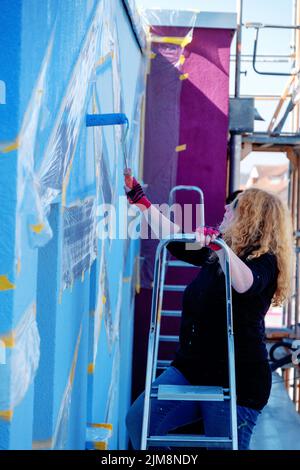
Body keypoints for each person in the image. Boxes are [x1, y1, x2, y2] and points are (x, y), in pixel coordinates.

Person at [124, 170, 293, 450]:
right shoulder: (220, 253)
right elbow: (175, 239)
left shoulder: (266, 262)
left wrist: (220, 247)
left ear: (252, 219)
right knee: (138, 421)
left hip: (238, 380)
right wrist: (140, 200)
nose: (226, 208)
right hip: (192, 367)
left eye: (235, 206)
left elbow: (245, 284)